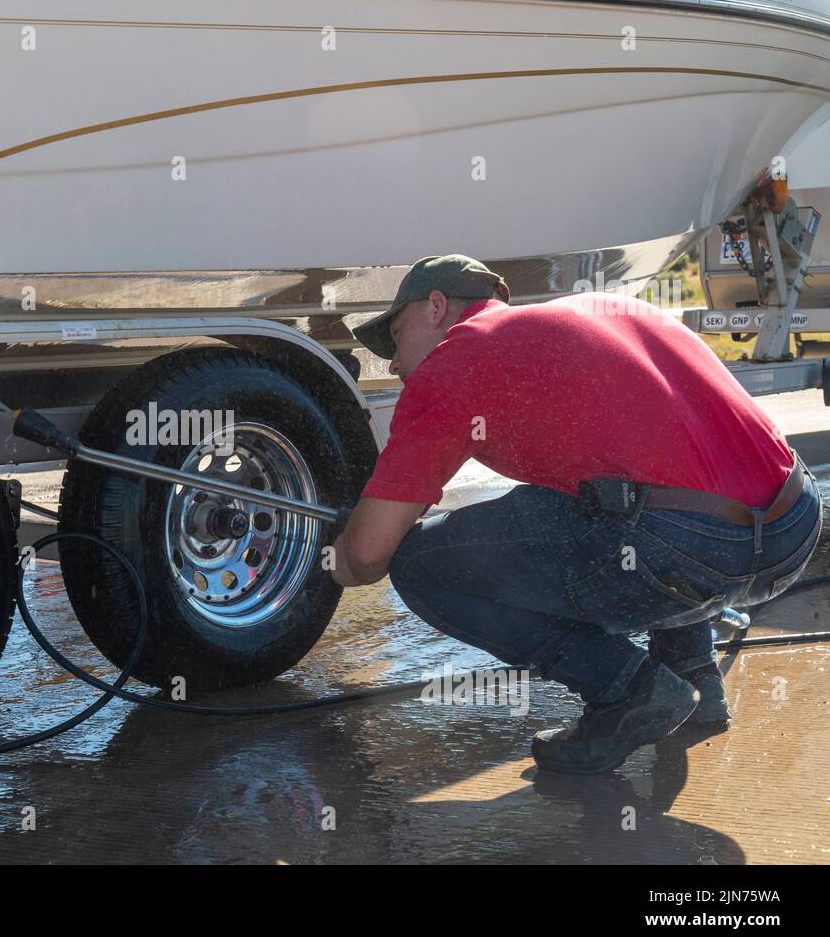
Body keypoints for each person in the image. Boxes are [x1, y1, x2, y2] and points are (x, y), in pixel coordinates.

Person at [332, 254, 822, 774]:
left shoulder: (461, 356)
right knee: (612, 499)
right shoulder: (599, 313)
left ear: (436, 307)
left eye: (396, 335)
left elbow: (367, 556)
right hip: (792, 525)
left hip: (694, 544)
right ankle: (693, 672)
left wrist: (334, 558)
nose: (392, 365)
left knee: (420, 562)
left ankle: (628, 692)